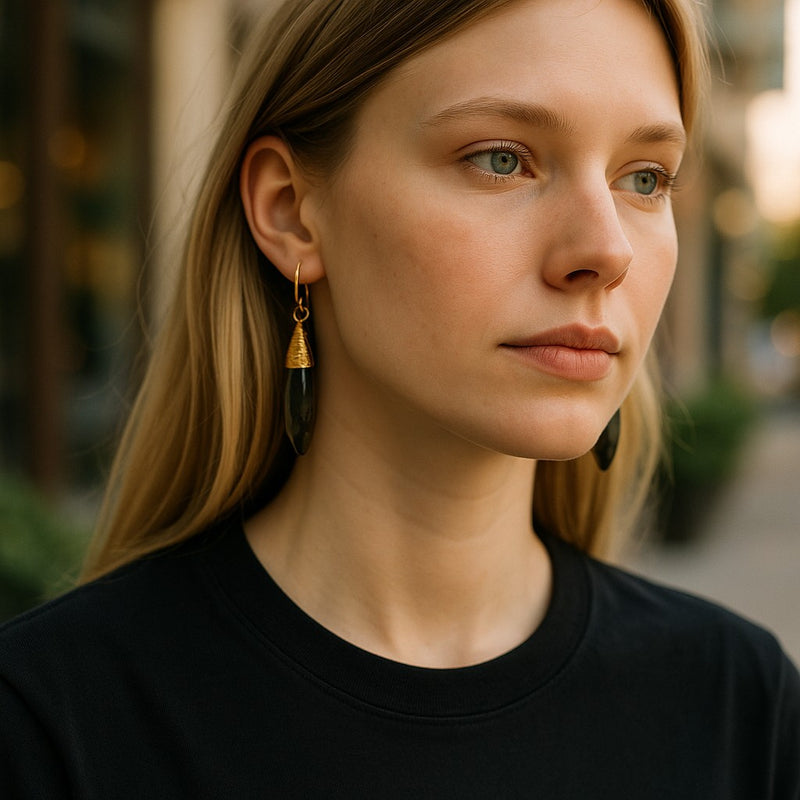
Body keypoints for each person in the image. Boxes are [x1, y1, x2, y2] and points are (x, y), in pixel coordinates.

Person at [2, 0, 798, 795]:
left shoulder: (740, 707)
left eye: (645, 178)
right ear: (290, 210)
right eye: (500, 158)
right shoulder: (48, 725)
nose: (606, 249)